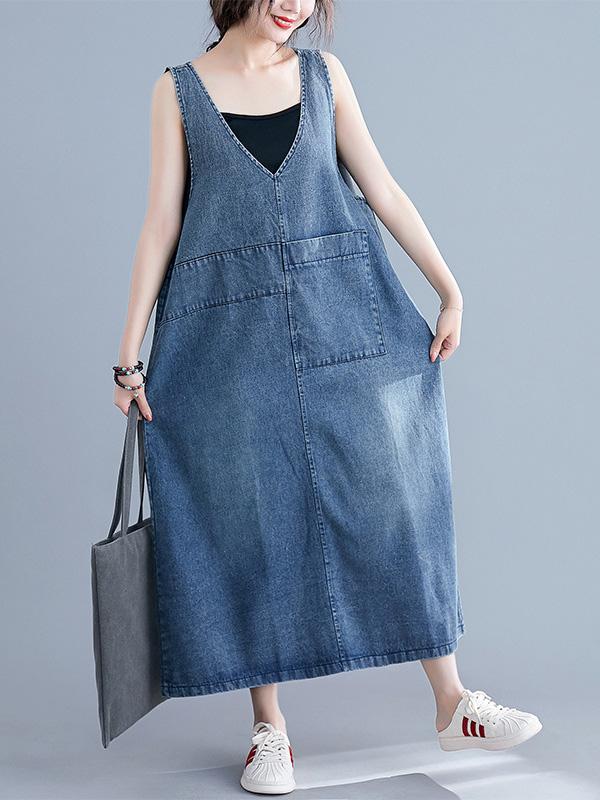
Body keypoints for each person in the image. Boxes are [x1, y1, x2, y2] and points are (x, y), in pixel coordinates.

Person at [112, 0, 542, 794]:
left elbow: (383, 189)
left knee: (397, 495)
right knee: (249, 520)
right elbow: (160, 224)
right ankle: (269, 730)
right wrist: (128, 355)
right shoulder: (176, 92)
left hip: (346, 319)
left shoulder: (323, 76)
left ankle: (453, 704)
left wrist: (449, 288)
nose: (296, 5)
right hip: (227, 343)